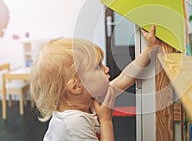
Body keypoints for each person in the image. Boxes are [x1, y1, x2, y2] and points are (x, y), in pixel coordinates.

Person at [30, 25, 158, 141]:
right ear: (76, 86)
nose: (106, 69)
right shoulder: (74, 123)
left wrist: (148, 50)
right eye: (98, 66)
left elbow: (125, 77)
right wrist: (106, 121)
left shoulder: (88, 99)